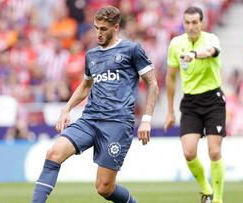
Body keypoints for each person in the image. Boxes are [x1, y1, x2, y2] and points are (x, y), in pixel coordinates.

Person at [32, 5, 159, 203]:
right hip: (90, 119)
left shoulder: (132, 50)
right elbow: (85, 85)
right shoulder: (92, 55)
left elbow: (152, 84)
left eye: (103, 29)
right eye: (96, 28)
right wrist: (66, 109)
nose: (98, 33)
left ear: (115, 27)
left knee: (104, 188)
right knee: (53, 153)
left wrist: (146, 120)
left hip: (117, 123)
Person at [164, 6, 225, 203]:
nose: (190, 27)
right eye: (187, 23)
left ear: (202, 23)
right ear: (184, 23)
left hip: (213, 99)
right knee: (189, 152)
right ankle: (206, 190)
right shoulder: (176, 44)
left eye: (194, 23)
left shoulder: (211, 39)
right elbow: (171, 77)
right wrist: (170, 111)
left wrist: (194, 54)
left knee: (214, 151)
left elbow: (212, 52)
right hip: (190, 102)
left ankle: (218, 200)